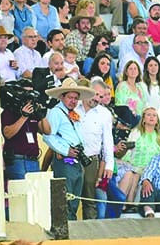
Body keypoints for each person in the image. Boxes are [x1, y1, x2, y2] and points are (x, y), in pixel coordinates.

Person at [43, 77, 95, 219]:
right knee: (67, 198)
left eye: (75, 98)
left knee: (74, 198)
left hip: (76, 158)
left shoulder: (71, 113)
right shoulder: (56, 112)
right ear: (62, 97)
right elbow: (48, 136)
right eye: (70, 97)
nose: (73, 101)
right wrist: (65, 150)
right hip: (66, 159)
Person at [77, 77, 115, 219]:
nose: (98, 99)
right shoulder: (74, 107)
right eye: (96, 94)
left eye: (101, 96)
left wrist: (109, 165)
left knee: (90, 200)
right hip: (71, 158)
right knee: (70, 199)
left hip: (91, 161)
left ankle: (89, 234)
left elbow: (108, 141)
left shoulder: (105, 114)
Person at [1, 78, 52, 184]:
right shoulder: (9, 111)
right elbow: (7, 134)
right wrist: (23, 117)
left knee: (35, 195)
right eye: (27, 93)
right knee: (22, 194)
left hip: (33, 159)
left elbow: (47, 131)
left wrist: (42, 116)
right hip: (17, 159)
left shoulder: (33, 111)